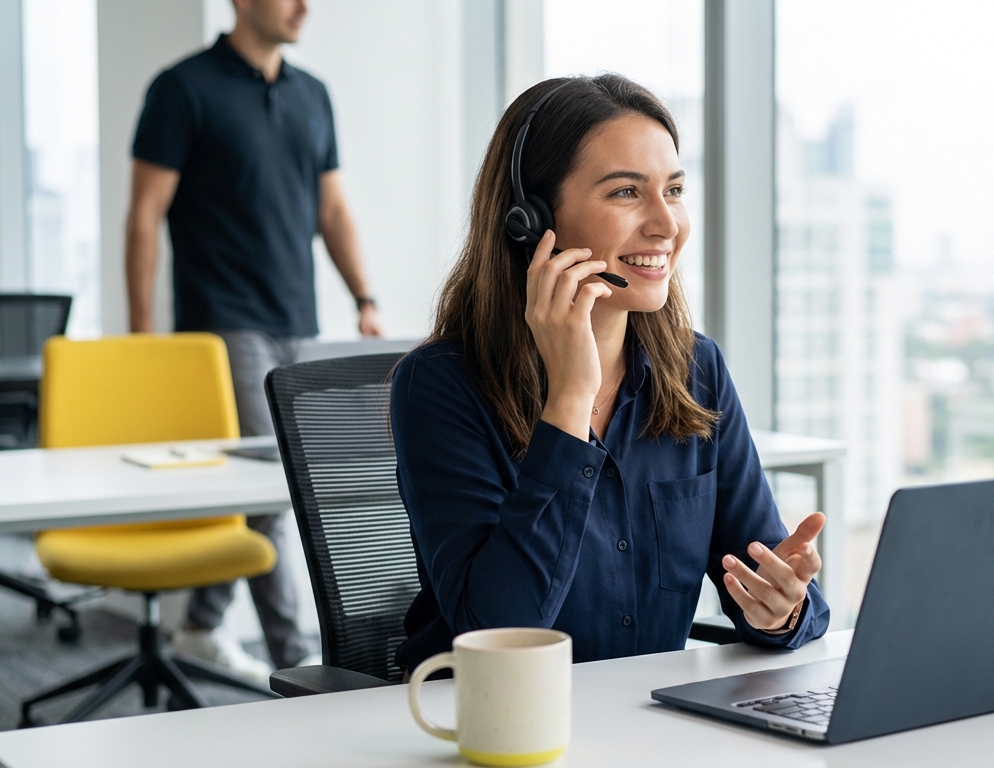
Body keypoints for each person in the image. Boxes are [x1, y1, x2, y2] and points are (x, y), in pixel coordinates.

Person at [390, 74, 829, 672]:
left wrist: (780, 609)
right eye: (626, 192)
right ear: (533, 218)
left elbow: (768, 580)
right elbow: (495, 633)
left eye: (673, 190)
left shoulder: (696, 369)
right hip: (491, 728)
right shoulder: (441, 385)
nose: (666, 224)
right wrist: (569, 401)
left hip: (644, 727)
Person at [124, 0, 380, 680]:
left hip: (299, 320)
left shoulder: (312, 94)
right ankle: (299, 660)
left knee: (266, 485)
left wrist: (365, 298)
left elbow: (332, 209)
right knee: (278, 482)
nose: (305, 6)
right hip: (222, 322)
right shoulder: (184, 89)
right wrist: (143, 336)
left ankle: (200, 625)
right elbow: (145, 214)